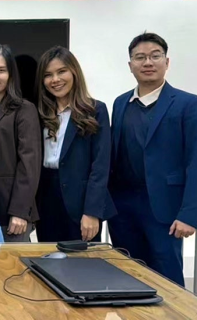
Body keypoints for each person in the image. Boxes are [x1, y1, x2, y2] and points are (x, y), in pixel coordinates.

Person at [108, 32, 197, 287]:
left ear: (167, 61)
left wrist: (189, 214)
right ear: (130, 65)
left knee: (168, 281)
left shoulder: (188, 104)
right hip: (123, 209)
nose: (148, 62)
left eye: (155, 56)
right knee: (128, 278)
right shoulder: (121, 103)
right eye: (140, 57)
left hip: (165, 209)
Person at [34, 46, 115, 243]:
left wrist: (92, 211)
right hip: (46, 197)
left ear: (74, 72)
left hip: (81, 201)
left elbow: (101, 165)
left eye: (61, 71)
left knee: (83, 268)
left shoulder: (95, 110)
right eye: (48, 75)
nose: (55, 80)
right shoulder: (39, 112)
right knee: (49, 263)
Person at [0, 45, 42, 242]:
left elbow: (29, 164)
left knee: (12, 269)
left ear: (11, 74)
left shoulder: (24, 109)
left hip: (10, 209)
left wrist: (20, 211)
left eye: (1, 70)